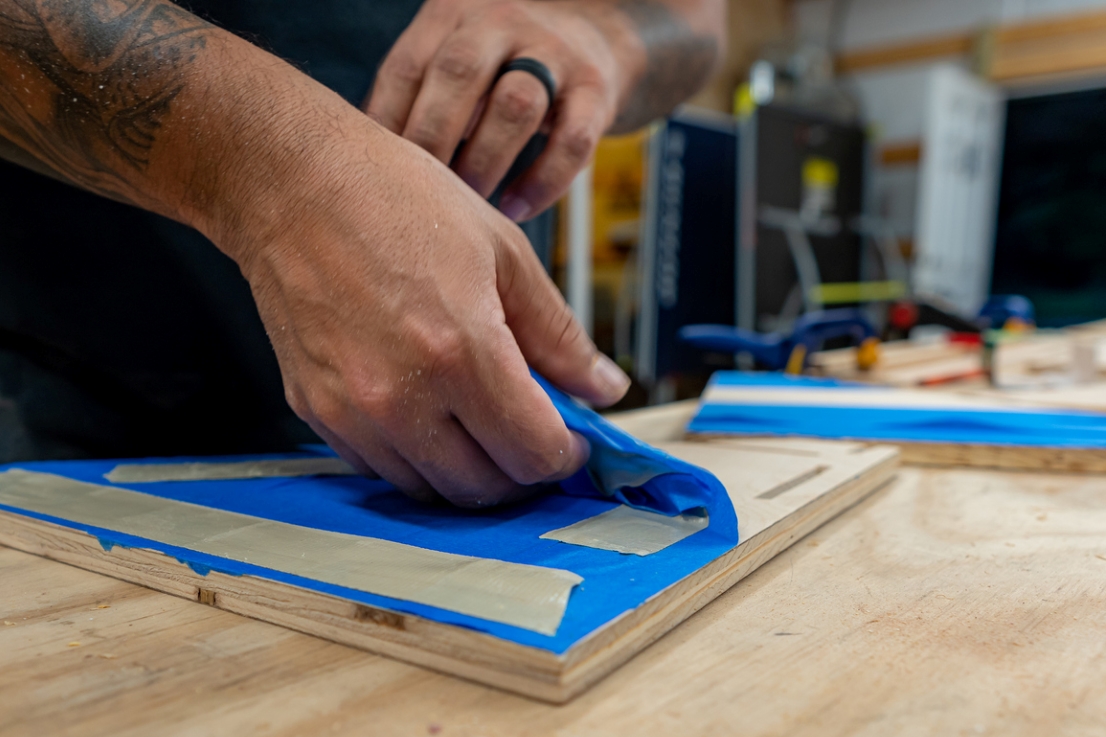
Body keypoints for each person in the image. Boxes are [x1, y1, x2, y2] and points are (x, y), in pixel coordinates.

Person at [0, 0, 725, 506]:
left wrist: (605, 35)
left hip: (475, 447)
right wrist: (275, 171)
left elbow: (696, 18)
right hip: (97, 450)